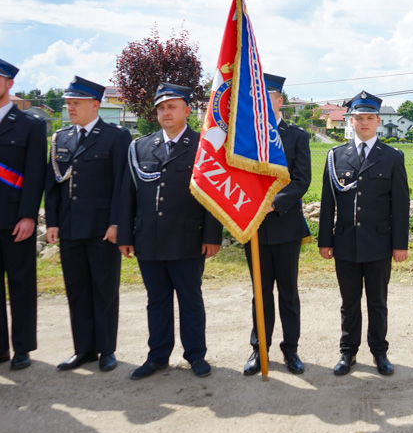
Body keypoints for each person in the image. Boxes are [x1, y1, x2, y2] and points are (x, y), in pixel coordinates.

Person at [118, 83, 222, 380]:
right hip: (148, 239)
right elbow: (128, 194)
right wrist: (125, 235)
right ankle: (158, 356)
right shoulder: (140, 147)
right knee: (157, 300)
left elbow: (211, 195)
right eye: (161, 108)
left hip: (188, 239)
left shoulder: (203, 147)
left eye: (172, 107)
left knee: (190, 299)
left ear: (187, 111)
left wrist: (212, 236)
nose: (165, 112)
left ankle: (196, 355)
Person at [318, 91, 409, 376]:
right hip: (345, 242)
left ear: (378, 121)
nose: (365, 123)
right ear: (351, 121)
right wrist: (325, 240)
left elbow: (401, 205)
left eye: (370, 118)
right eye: (359, 118)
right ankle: (348, 352)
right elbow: (327, 201)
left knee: (378, 302)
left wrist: (399, 244)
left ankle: (379, 352)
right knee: (348, 303)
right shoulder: (336, 156)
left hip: (379, 243)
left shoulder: (392, 157)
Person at [45, 76, 132, 373]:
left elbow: (122, 184)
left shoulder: (116, 137)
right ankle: (83, 349)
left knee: (104, 290)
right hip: (69, 228)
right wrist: (53, 222)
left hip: (101, 229)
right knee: (77, 289)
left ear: (95, 105)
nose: (70, 108)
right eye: (68, 103)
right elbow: (53, 185)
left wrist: (116, 224)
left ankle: (106, 349)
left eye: (76, 103)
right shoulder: (61, 138)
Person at [242, 73, 311, 376]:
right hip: (253, 226)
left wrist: (274, 203)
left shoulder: (296, 136)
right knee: (260, 293)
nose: (259, 103)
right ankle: (259, 350)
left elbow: (301, 179)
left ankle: (291, 350)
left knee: (288, 292)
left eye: (265, 98)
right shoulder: (244, 136)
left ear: (279, 100)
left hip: (285, 225)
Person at [0, 58, 46, 371]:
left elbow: (34, 174)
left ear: (9, 84)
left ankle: (23, 348)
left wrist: (29, 215)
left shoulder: (30, 124)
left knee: (21, 284)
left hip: (16, 221)